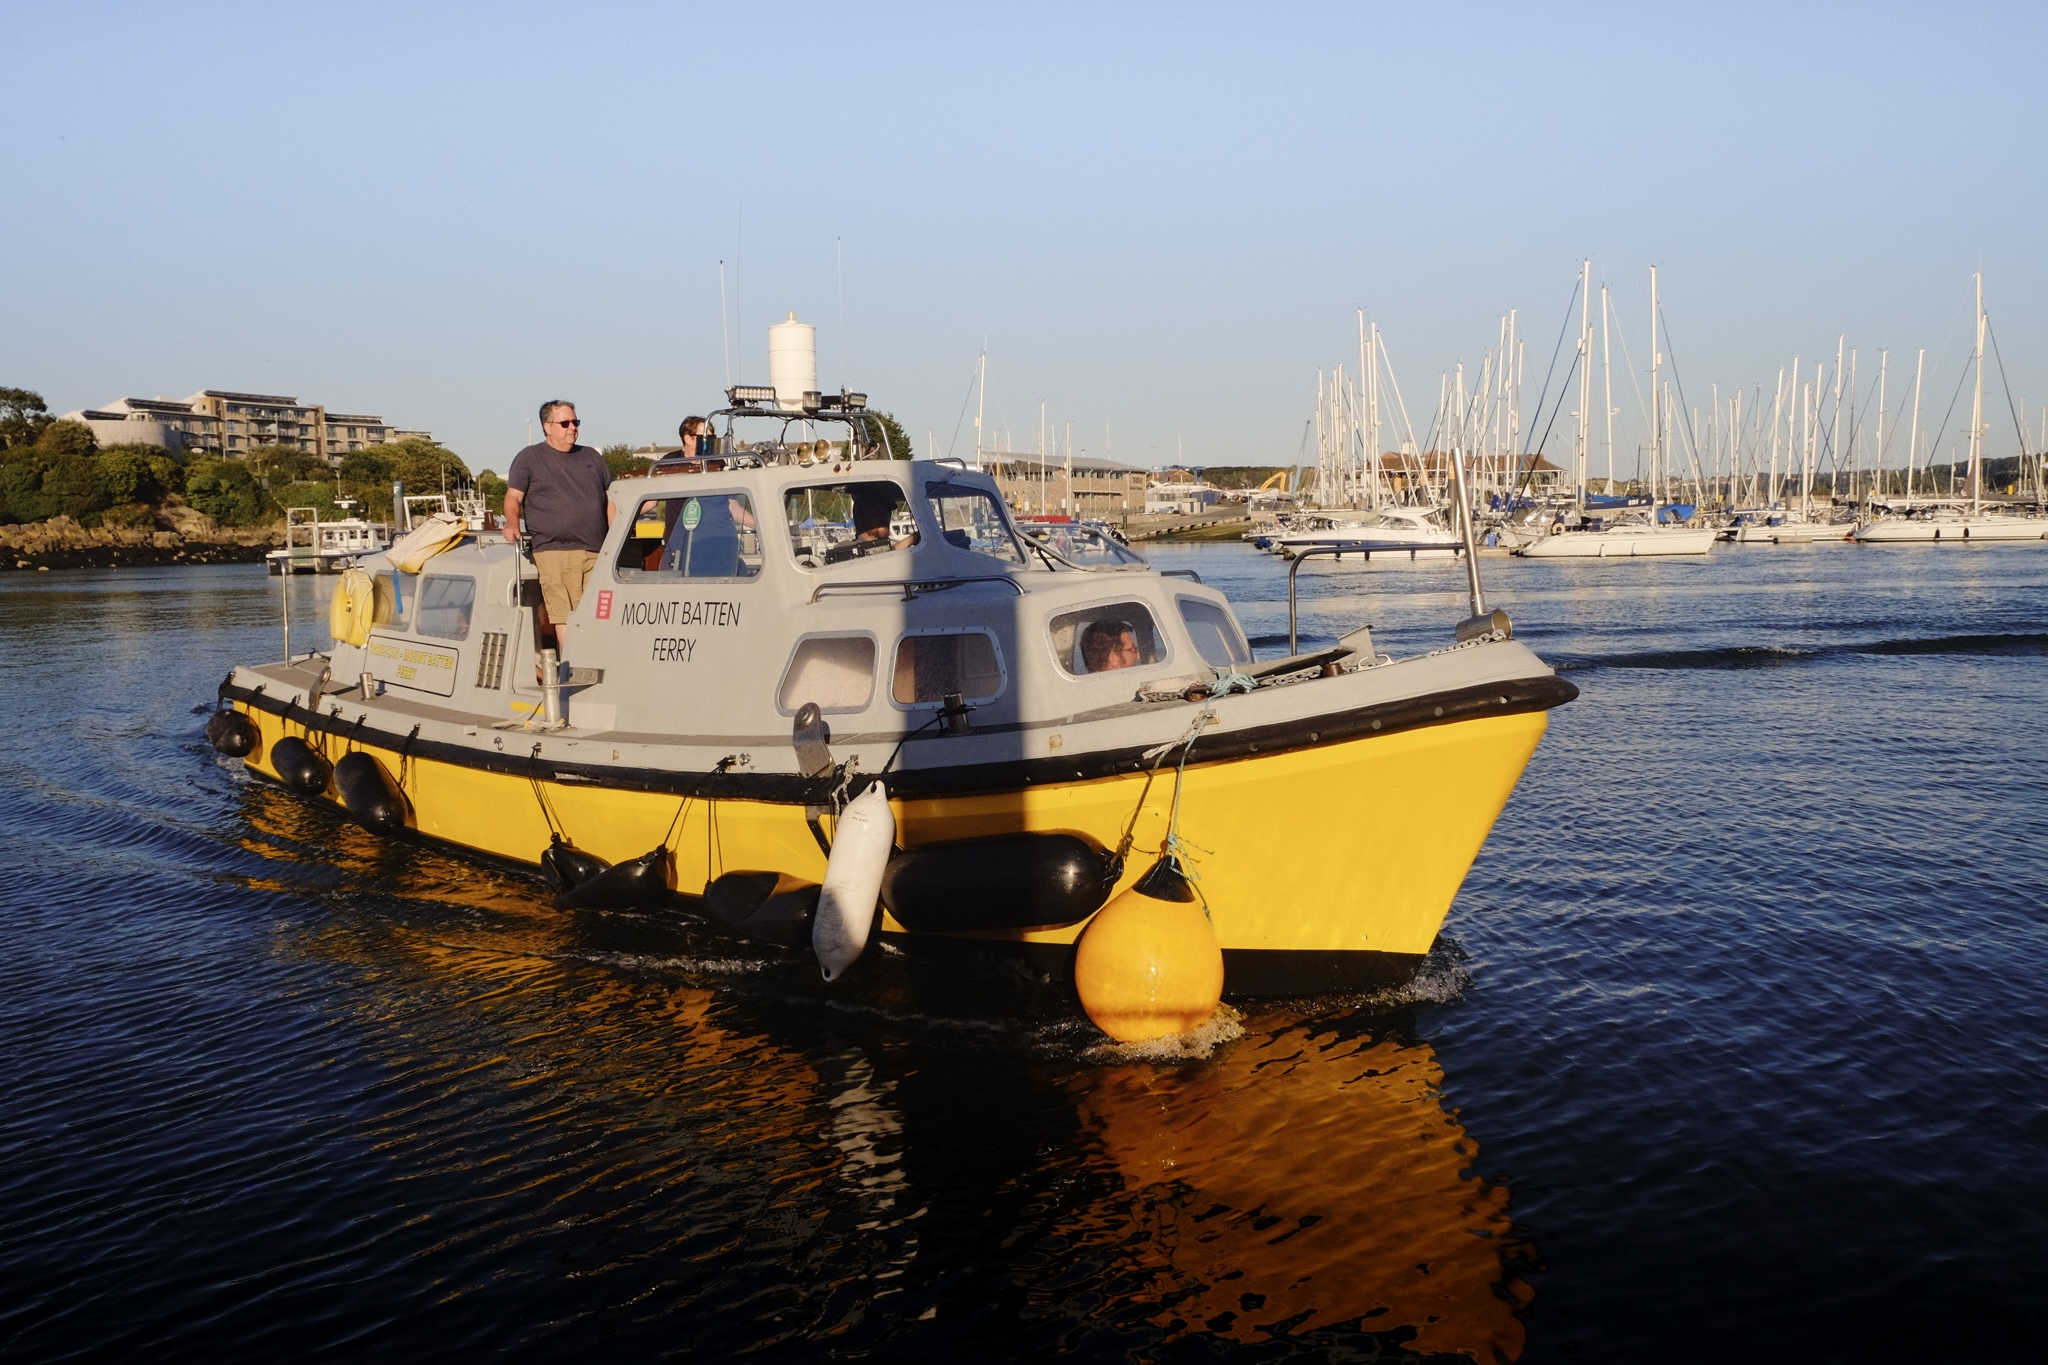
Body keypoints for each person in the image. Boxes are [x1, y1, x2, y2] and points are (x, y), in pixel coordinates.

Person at [504, 400, 614, 651]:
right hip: (554, 551)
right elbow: (513, 497)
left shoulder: (591, 457)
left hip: (596, 551)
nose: (572, 427)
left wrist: (615, 540)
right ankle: (571, 672)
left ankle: (596, 672)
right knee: (566, 617)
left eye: (576, 422)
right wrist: (512, 522)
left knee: (597, 617)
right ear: (547, 427)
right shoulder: (529, 458)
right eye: (565, 423)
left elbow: (610, 501)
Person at [825, 484, 917, 564]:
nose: (883, 517)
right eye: (876, 513)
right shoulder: (843, 549)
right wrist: (912, 539)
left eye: (886, 513)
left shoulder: (893, 547)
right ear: (860, 517)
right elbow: (877, 557)